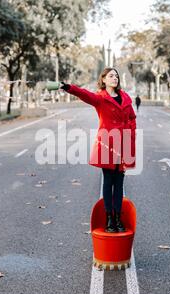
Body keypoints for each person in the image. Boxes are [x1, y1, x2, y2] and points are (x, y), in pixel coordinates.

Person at [60, 68, 137, 233]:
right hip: (107, 145)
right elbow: (84, 94)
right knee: (108, 181)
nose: (114, 78)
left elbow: (132, 118)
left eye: (116, 75)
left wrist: (130, 135)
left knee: (119, 183)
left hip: (123, 144)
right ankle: (109, 219)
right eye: (111, 76)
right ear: (103, 80)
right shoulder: (100, 98)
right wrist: (68, 87)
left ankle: (118, 218)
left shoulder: (126, 98)